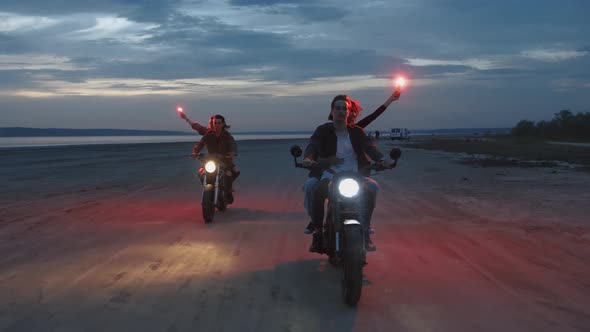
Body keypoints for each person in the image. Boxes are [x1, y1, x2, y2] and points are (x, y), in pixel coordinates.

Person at [302, 95, 394, 253]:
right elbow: (313, 144)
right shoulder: (323, 130)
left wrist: (382, 159)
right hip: (330, 175)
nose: (341, 111)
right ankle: (317, 231)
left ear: (349, 111)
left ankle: (365, 228)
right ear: (332, 111)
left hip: (354, 175)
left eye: (344, 108)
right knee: (317, 191)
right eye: (337, 108)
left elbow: (369, 147)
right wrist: (308, 158)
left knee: (372, 188)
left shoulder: (357, 132)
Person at [192, 115, 240, 204]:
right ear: (212, 124)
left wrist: (232, 152)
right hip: (211, 160)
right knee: (201, 172)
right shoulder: (208, 135)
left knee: (231, 173)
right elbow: (200, 144)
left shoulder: (227, 135)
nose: (217, 125)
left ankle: (228, 192)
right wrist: (195, 152)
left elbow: (233, 144)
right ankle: (208, 188)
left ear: (222, 124)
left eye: (219, 123)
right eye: (215, 123)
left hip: (225, 161)